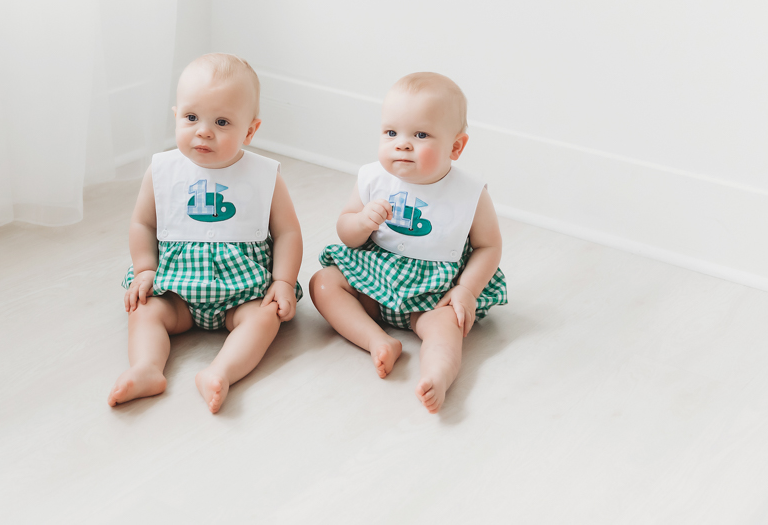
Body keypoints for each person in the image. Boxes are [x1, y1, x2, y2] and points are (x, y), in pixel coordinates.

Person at [108, 53, 303, 413]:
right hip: (176, 289)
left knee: (264, 316)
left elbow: (288, 232)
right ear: (176, 115)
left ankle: (221, 372)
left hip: (242, 289)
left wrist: (283, 281)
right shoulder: (163, 170)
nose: (203, 131)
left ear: (250, 130)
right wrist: (145, 269)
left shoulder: (264, 176)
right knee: (146, 310)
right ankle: (147, 368)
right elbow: (143, 224)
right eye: (192, 117)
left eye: (222, 122)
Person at [310, 72, 507, 413]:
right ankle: (377, 341)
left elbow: (489, 246)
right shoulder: (373, 177)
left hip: (433, 292)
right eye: (391, 132)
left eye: (420, 134)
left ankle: (438, 374)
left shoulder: (470, 193)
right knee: (323, 283)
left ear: (456, 146)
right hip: (374, 277)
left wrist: (466, 290)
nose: (402, 143)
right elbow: (346, 230)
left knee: (447, 326)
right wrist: (361, 222)